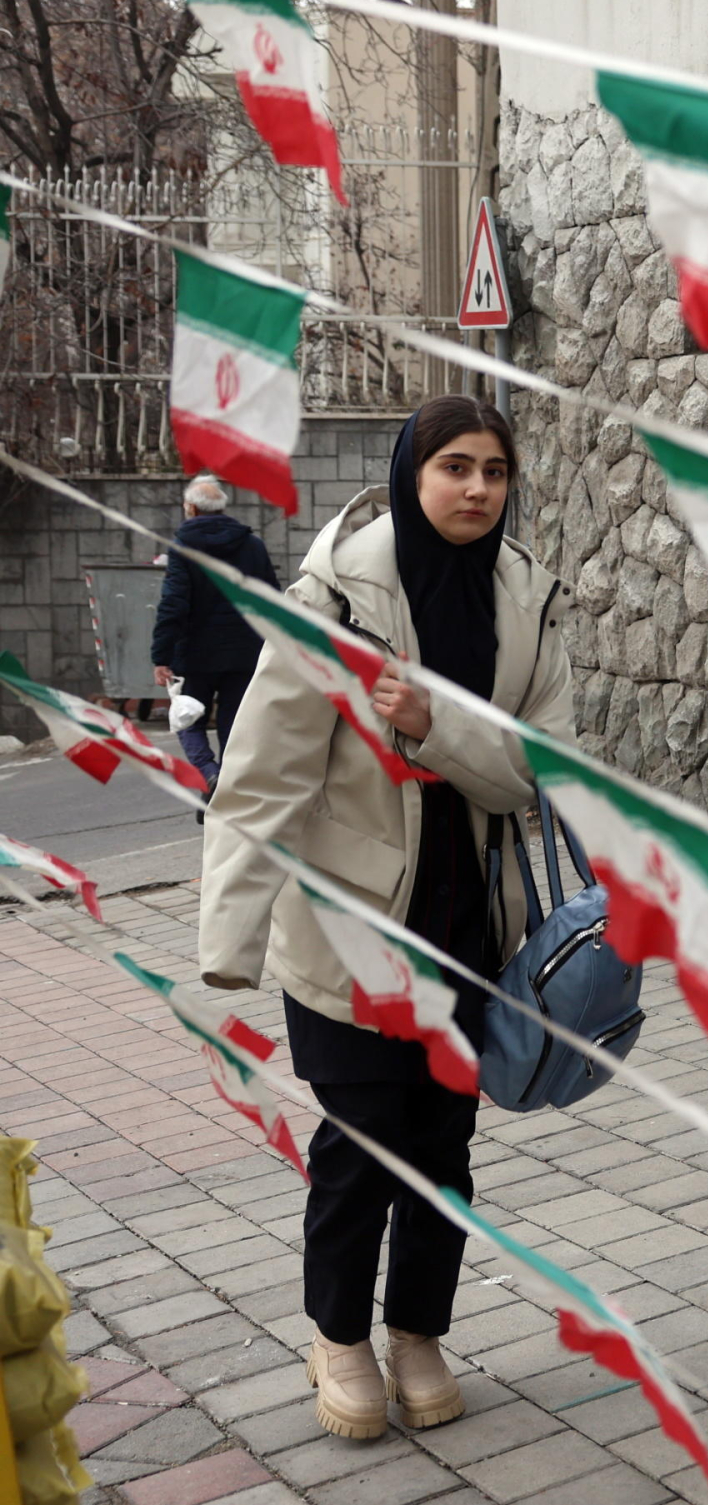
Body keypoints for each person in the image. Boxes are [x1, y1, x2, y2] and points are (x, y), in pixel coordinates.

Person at [196, 395, 573, 1441]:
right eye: (455, 465)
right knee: (363, 1141)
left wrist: (434, 723)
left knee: (444, 1146)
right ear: (412, 472)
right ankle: (340, 1335)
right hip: (348, 926)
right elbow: (261, 775)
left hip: (471, 926)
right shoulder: (335, 599)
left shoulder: (525, 599)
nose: (477, 488)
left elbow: (542, 776)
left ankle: (416, 1328)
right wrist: (227, 947)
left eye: (495, 469)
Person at [150, 474, 277, 790]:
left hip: (194, 655)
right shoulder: (253, 545)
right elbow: (271, 598)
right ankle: (224, 786)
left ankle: (208, 772)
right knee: (233, 724)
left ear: (191, 508)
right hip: (245, 652)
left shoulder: (182, 548)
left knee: (186, 717)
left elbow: (173, 605)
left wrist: (161, 657)